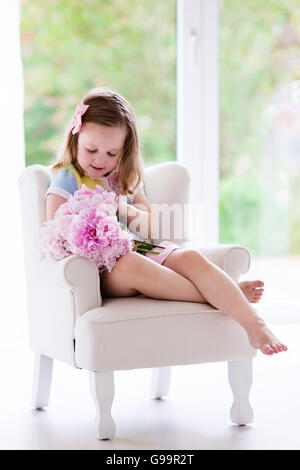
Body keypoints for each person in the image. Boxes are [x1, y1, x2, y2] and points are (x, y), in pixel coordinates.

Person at [46, 86, 287, 356]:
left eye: (112, 153)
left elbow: (150, 229)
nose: (101, 160)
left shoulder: (122, 178)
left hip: (136, 248)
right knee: (133, 264)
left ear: (124, 150)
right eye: (91, 150)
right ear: (75, 139)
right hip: (99, 269)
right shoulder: (67, 178)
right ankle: (228, 294)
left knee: (190, 257)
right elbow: (54, 235)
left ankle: (255, 324)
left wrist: (120, 206)